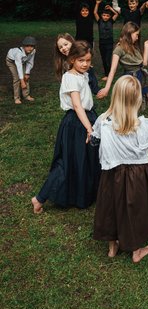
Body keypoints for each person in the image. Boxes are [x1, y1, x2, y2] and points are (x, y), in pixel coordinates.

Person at [91, 75, 148, 262]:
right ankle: (137, 250)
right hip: (137, 176)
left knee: (111, 207)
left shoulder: (102, 121)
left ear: (115, 96)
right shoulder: (142, 126)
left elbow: (94, 141)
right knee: (135, 209)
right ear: (137, 99)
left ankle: (112, 246)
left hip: (111, 174)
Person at [31, 41, 101, 212]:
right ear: (71, 60)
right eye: (80, 60)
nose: (85, 64)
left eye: (87, 60)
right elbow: (77, 106)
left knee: (86, 160)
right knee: (68, 161)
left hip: (88, 118)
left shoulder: (82, 74)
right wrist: (89, 129)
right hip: (77, 123)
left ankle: (83, 194)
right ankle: (39, 198)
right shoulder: (70, 78)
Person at [97, 22, 148, 109]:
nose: (137, 38)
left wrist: (146, 47)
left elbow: (144, 63)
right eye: (136, 35)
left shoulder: (134, 46)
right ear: (129, 33)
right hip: (130, 79)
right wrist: (106, 88)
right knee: (129, 103)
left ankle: (133, 119)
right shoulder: (119, 49)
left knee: (137, 103)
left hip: (140, 76)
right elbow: (113, 70)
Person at [6, 36, 37, 104]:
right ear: (23, 46)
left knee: (26, 77)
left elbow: (30, 62)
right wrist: (22, 81)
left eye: (32, 46)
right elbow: (19, 66)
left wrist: (27, 73)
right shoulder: (18, 53)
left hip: (22, 61)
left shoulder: (33, 51)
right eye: (27, 46)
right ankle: (16, 98)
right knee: (17, 78)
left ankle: (26, 95)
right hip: (12, 61)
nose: (30, 48)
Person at [93, 0, 119, 80]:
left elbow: (116, 14)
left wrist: (110, 8)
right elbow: (94, 13)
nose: (105, 17)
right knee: (104, 59)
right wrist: (97, 4)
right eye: (104, 15)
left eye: (107, 16)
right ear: (102, 15)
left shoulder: (111, 21)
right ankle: (106, 74)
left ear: (110, 16)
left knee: (108, 59)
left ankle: (109, 75)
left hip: (109, 43)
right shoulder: (99, 21)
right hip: (102, 43)